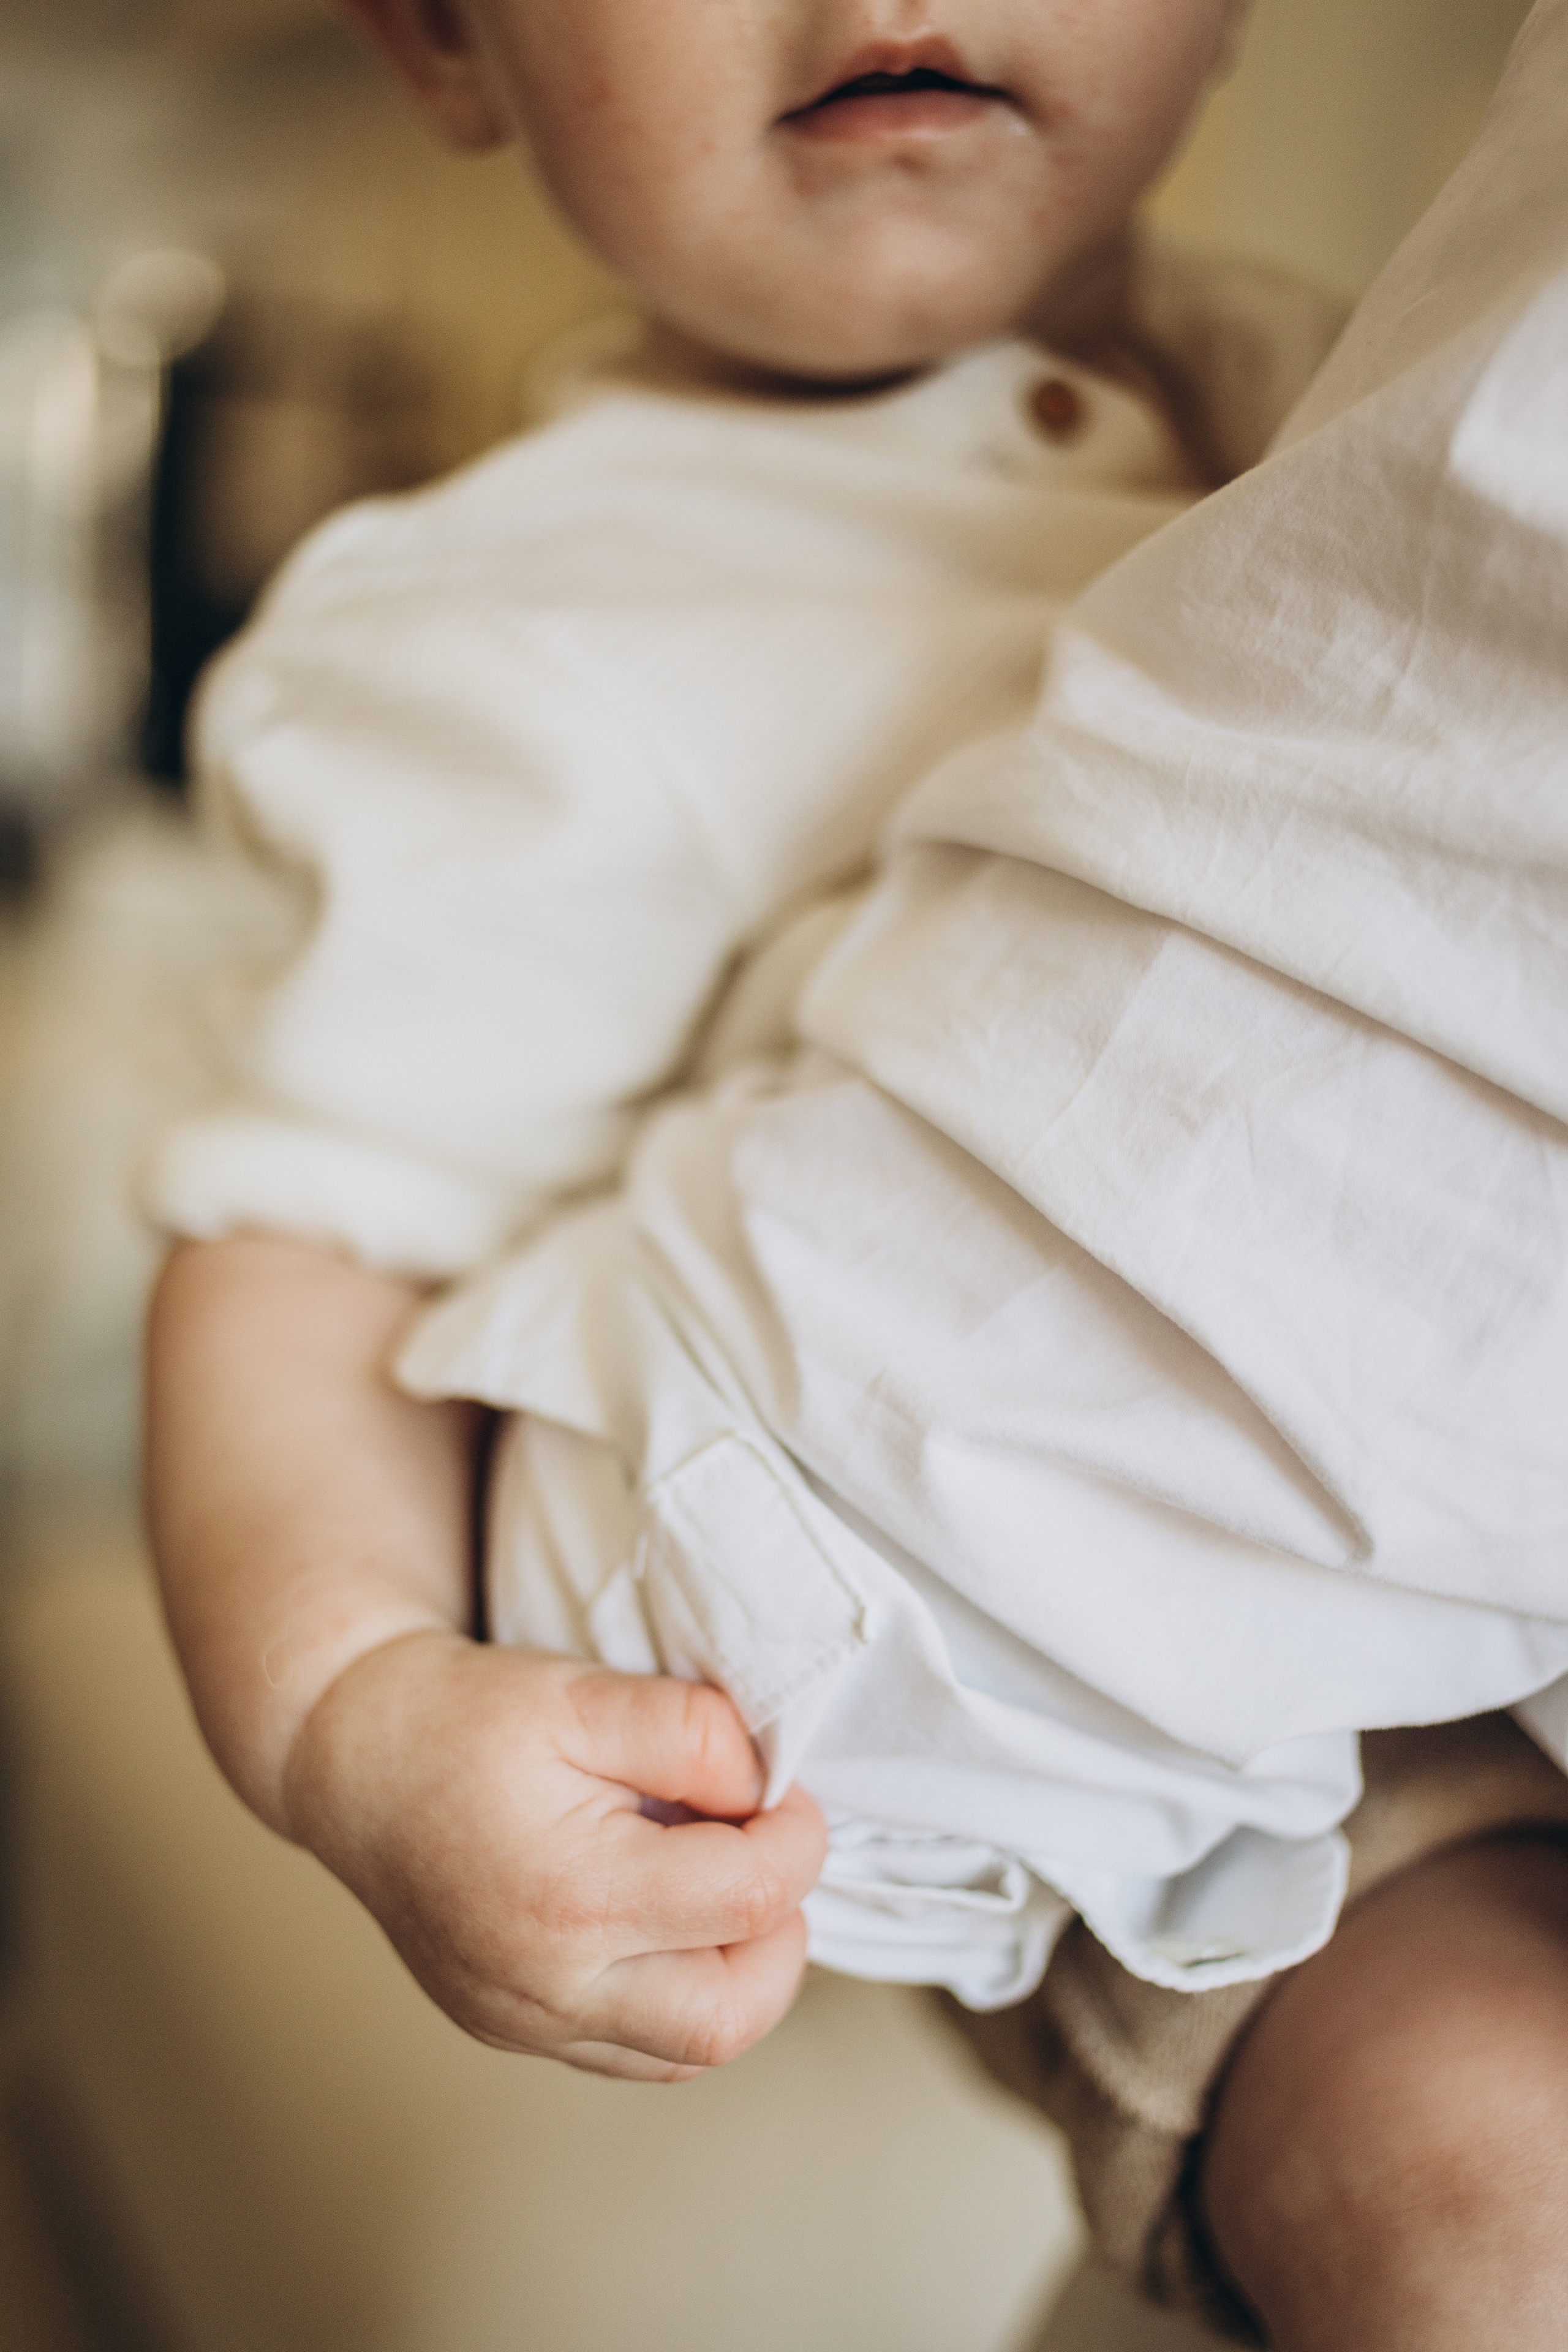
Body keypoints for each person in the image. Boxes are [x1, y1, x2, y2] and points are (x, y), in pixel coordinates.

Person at [143, 0, 1568, 2345]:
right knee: (1483, 2168)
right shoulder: (501, 633)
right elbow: (298, 1238)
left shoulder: (1351, 385)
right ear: (441, 38)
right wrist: (352, 1716)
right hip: (1183, 1758)